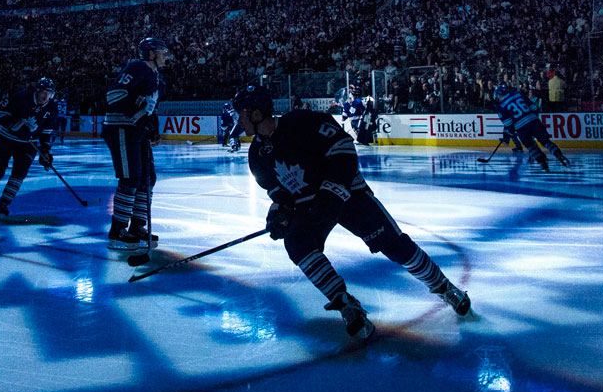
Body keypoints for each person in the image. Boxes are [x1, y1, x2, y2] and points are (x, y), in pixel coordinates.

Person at [232, 84, 471, 340]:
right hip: (309, 206)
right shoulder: (257, 155)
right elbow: (277, 192)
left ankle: (444, 287)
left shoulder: (301, 123)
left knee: (395, 245)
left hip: (348, 193)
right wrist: (278, 213)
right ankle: (345, 302)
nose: (239, 120)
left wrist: (331, 193)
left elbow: (343, 149)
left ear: (256, 114)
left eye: (242, 114)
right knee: (297, 244)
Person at [101, 37, 167, 252]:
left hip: (137, 130)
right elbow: (115, 94)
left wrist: (152, 129)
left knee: (148, 178)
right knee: (131, 179)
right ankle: (118, 231)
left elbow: (150, 108)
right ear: (150, 53)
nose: (164, 55)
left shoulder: (158, 77)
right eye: (161, 51)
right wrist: (140, 118)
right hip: (122, 127)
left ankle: (137, 227)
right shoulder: (138, 67)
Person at [0, 78, 57, 219]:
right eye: (43, 92)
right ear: (37, 91)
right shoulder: (21, 97)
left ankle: (3, 205)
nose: (45, 96)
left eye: (49, 93)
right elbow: (1, 114)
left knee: (19, 175)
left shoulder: (52, 108)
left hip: (28, 144)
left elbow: (46, 132)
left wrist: (46, 151)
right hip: (6, 139)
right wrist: (18, 127)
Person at [493, 84, 571, 171]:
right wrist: (534, 119)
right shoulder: (518, 94)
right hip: (534, 121)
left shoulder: (500, 107)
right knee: (546, 142)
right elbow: (534, 108)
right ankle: (560, 156)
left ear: (499, 94)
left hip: (521, 128)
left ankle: (543, 165)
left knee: (531, 147)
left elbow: (508, 124)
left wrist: (509, 134)